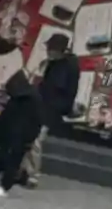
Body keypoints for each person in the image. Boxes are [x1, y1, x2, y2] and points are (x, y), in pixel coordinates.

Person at [26, 32, 81, 188]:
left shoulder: (66, 67)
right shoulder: (58, 63)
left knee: (35, 140)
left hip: (49, 109)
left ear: (57, 50)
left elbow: (57, 90)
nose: (47, 51)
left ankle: (32, 175)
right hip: (45, 106)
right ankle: (26, 171)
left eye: (50, 48)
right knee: (31, 139)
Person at [0, 72, 43, 199]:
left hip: (20, 137)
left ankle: (4, 186)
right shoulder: (17, 98)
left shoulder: (32, 100)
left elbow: (36, 122)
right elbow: (6, 117)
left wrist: (29, 139)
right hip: (9, 133)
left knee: (12, 163)